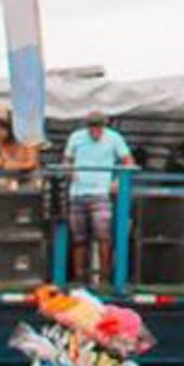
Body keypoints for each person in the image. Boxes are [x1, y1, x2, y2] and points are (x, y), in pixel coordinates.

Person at [61, 113, 134, 284]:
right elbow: (66, 160)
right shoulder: (76, 137)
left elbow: (128, 161)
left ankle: (104, 278)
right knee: (79, 239)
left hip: (101, 194)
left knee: (103, 237)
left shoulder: (114, 138)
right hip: (77, 193)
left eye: (98, 126)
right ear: (87, 126)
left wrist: (117, 181)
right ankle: (79, 277)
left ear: (104, 126)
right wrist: (69, 172)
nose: (95, 130)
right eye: (92, 126)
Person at [0, 117, 42, 188]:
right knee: (1, 183)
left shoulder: (28, 139)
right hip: (5, 176)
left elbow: (31, 163)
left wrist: (14, 165)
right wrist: (1, 162)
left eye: (3, 128)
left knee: (37, 183)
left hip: (27, 175)